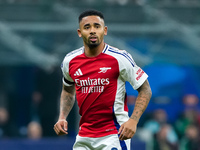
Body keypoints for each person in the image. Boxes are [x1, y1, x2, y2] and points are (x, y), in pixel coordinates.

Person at [53, 9, 152, 150]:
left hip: (113, 135)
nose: (92, 31)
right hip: (84, 137)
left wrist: (133, 121)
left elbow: (145, 89)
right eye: (87, 27)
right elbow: (68, 90)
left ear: (104, 30)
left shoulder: (120, 58)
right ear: (79, 32)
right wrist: (62, 116)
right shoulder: (70, 61)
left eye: (97, 26)